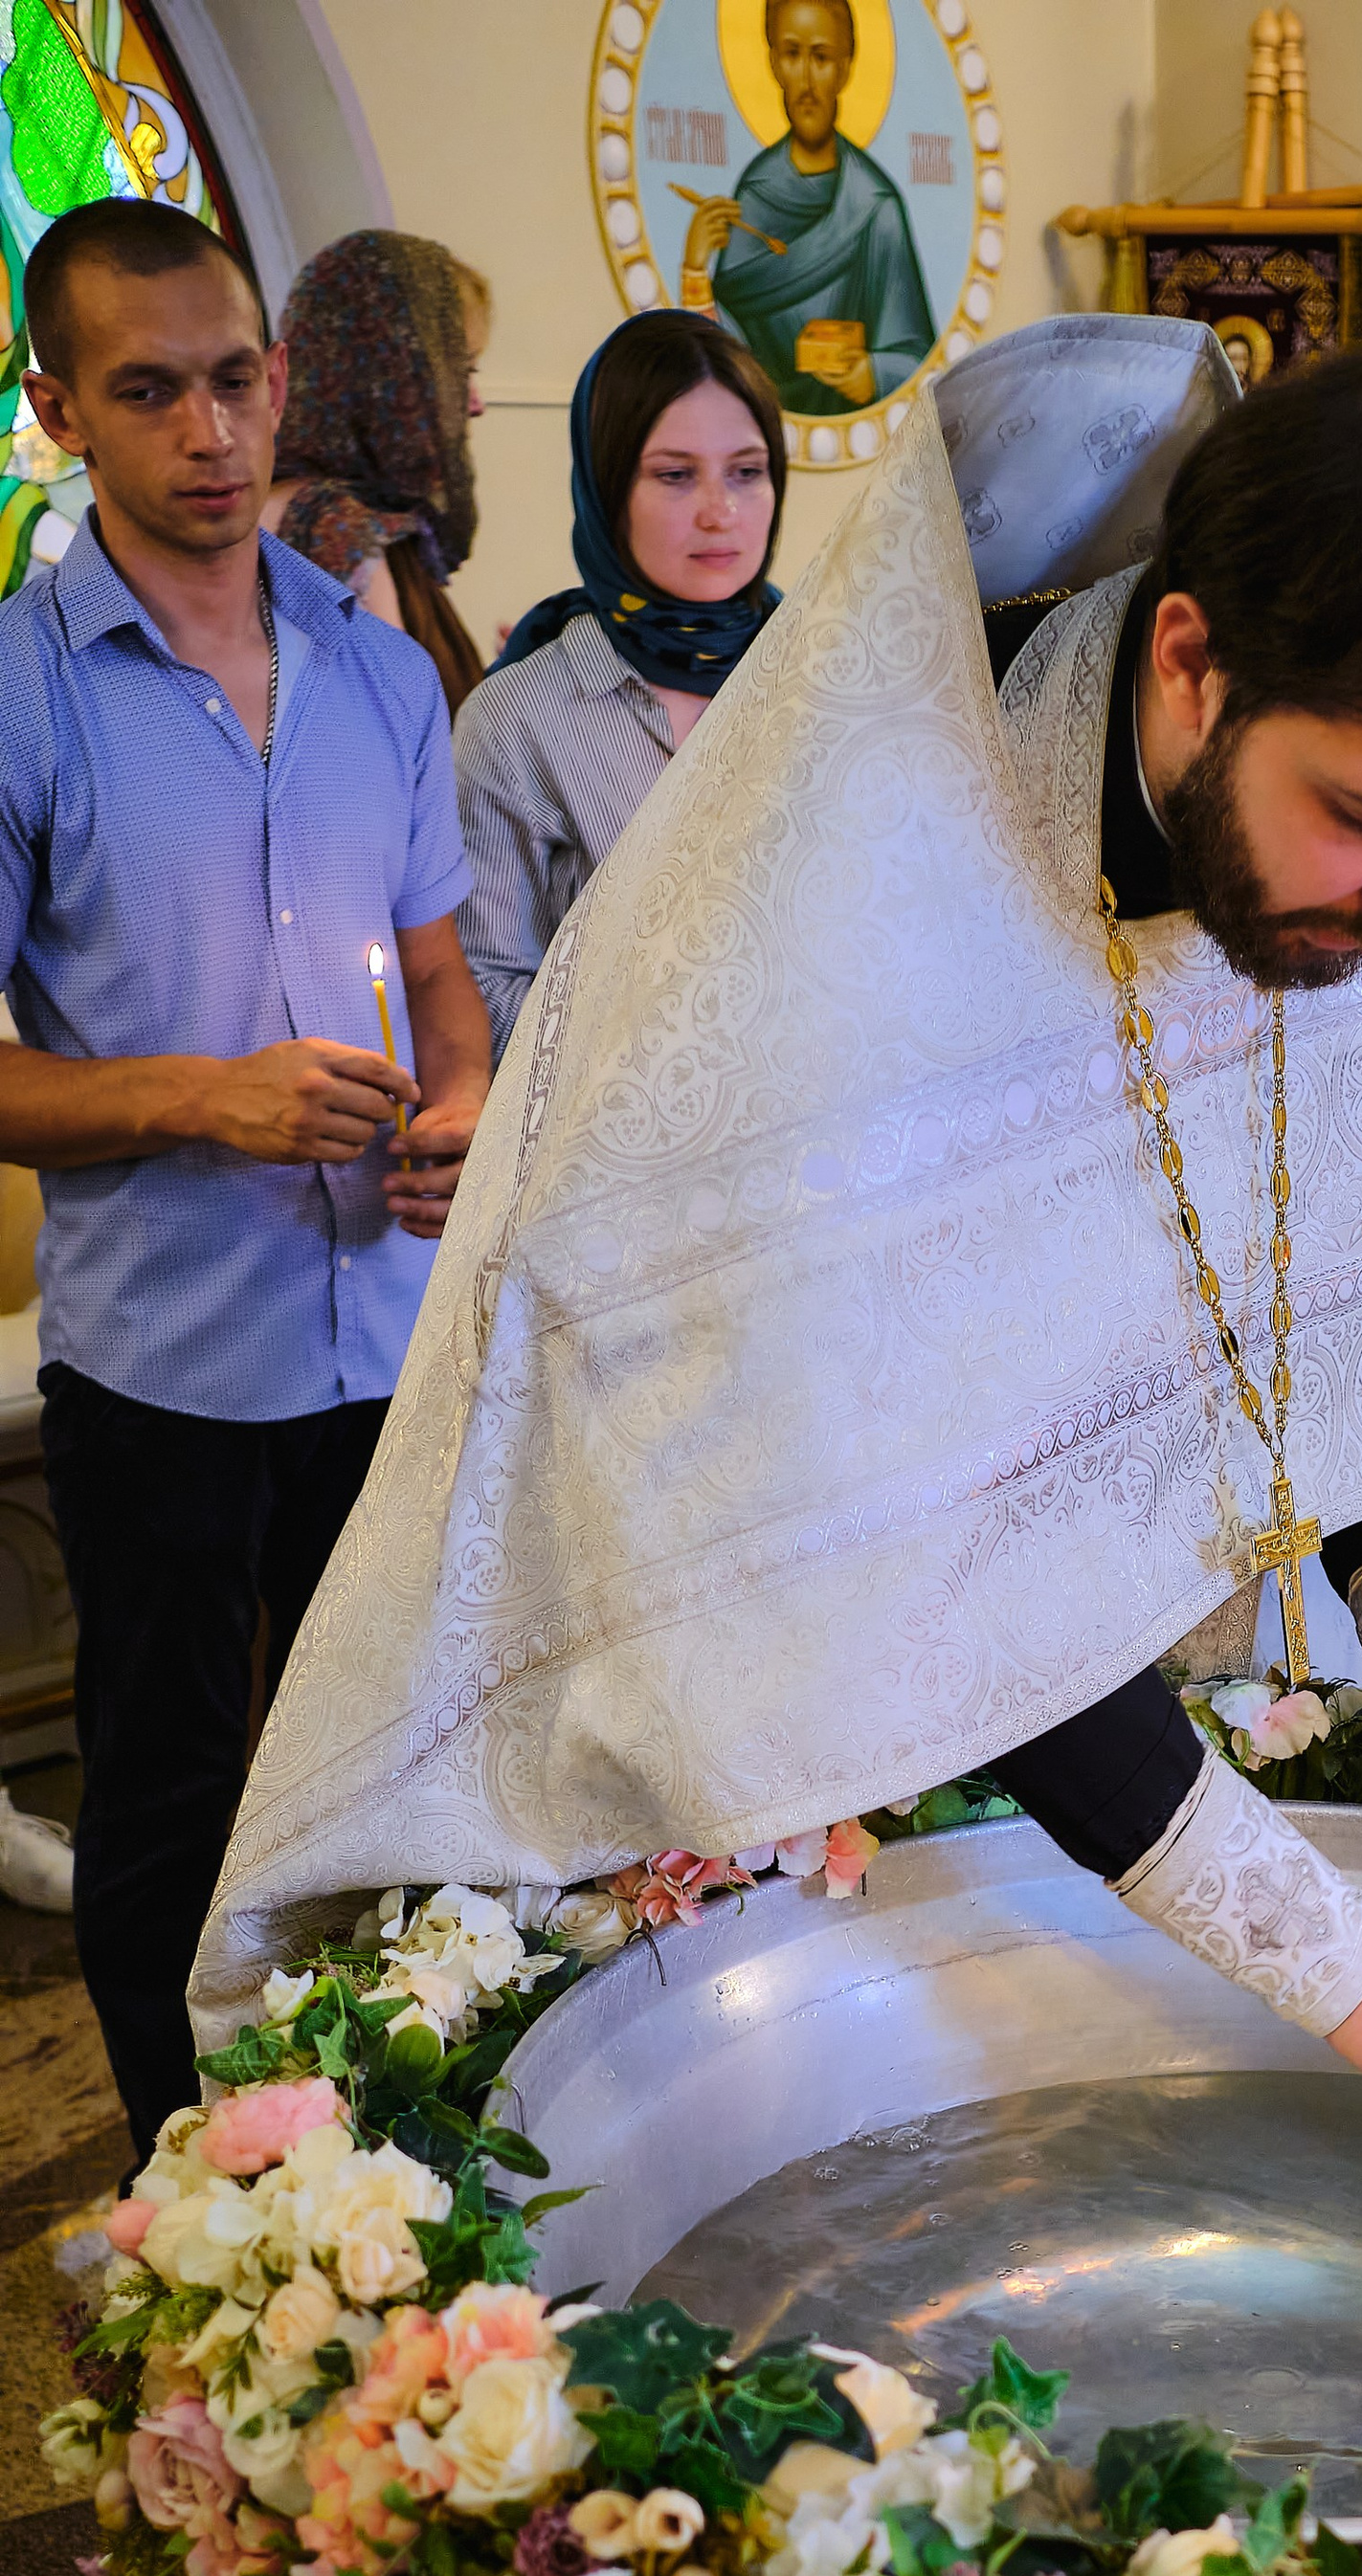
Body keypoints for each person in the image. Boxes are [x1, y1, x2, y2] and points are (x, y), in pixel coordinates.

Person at [203, 326, 1362, 2192]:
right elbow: (919, 1554)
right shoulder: (849, 911)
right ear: (1195, 659)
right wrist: (1347, 1969)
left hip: (1132, 1735)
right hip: (747, 1723)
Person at [0, 198, 491, 2153]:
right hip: (168, 1372)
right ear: (59, 410)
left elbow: (445, 983)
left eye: (230, 381)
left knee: (389, 1773)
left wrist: (456, 1111)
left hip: (382, 1339)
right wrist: (214, 1103)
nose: (206, 432)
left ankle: (377, 2170)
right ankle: (187, 2181)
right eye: (148, 392)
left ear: (278, 382)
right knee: (174, 1799)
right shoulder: (25, 692)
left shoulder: (378, 680)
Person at [454, 311, 785, 1060]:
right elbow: (488, 996)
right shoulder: (518, 720)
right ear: (607, 487)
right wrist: (679, 1049)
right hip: (621, 1155)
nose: (720, 511)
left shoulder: (831, 670)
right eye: (674, 475)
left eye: (747, 471)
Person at [267, 231, 491, 718]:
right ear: (393, 375)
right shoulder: (336, 527)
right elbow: (402, 746)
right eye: (462, 372)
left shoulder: (315, 508)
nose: (476, 404)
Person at [687, 0, 934, 419]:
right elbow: (725, 353)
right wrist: (695, 272)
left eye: (820, 57)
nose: (805, 80)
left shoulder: (876, 206)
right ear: (773, 63)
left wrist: (872, 374)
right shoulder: (754, 192)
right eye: (791, 54)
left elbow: (918, 358)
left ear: (845, 67)